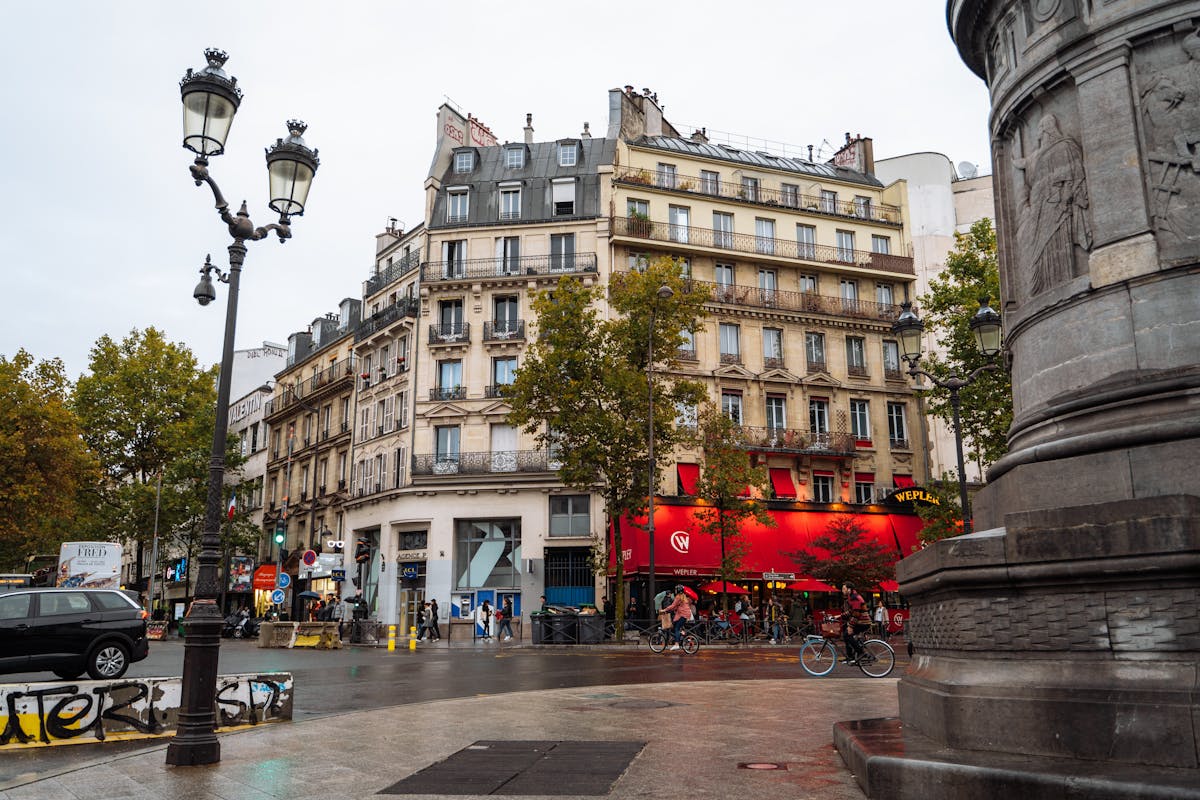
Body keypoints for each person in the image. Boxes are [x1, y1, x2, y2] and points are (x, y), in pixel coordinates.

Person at [841, 583, 871, 663]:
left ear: (849, 589)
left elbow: (856, 613)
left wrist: (850, 626)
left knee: (847, 634)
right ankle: (850, 656)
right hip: (860, 621)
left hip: (863, 622)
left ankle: (861, 652)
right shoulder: (851, 597)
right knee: (845, 633)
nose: (842, 590)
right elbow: (851, 611)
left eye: (844, 589)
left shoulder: (854, 598)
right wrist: (839, 616)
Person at [660, 585, 693, 652]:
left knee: (676, 628)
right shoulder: (684, 596)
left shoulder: (678, 597)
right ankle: (684, 636)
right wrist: (670, 610)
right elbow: (677, 606)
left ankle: (677, 644)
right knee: (675, 625)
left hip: (683, 614)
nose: (675, 591)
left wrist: (664, 610)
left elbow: (673, 605)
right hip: (686, 614)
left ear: (678, 590)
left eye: (676, 589)